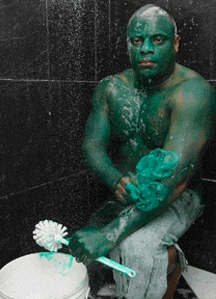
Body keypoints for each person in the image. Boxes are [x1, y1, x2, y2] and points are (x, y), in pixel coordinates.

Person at [69, 4, 216, 299]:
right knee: (87, 250)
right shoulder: (111, 89)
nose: (146, 49)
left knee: (135, 248)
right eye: (137, 41)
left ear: (175, 43)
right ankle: (170, 265)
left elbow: (173, 180)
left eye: (157, 40)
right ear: (128, 44)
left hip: (181, 194)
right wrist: (115, 179)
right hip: (128, 191)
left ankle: (160, 269)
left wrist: (111, 233)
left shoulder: (192, 92)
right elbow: (92, 146)